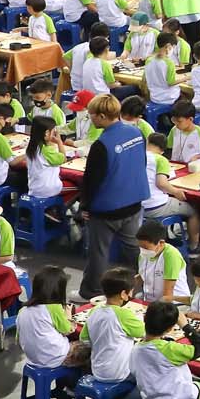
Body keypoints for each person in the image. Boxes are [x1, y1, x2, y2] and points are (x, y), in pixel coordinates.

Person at [76, 94, 147, 301]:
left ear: (102, 116)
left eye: (92, 115)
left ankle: (91, 292)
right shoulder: (137, 133)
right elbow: (140, 163)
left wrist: (84, 207)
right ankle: (145, 285)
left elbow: (91, 180)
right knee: (135, 249)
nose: (90, 119)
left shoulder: (102, 144)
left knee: (98, 253)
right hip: (134, 202)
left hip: (107, 209)